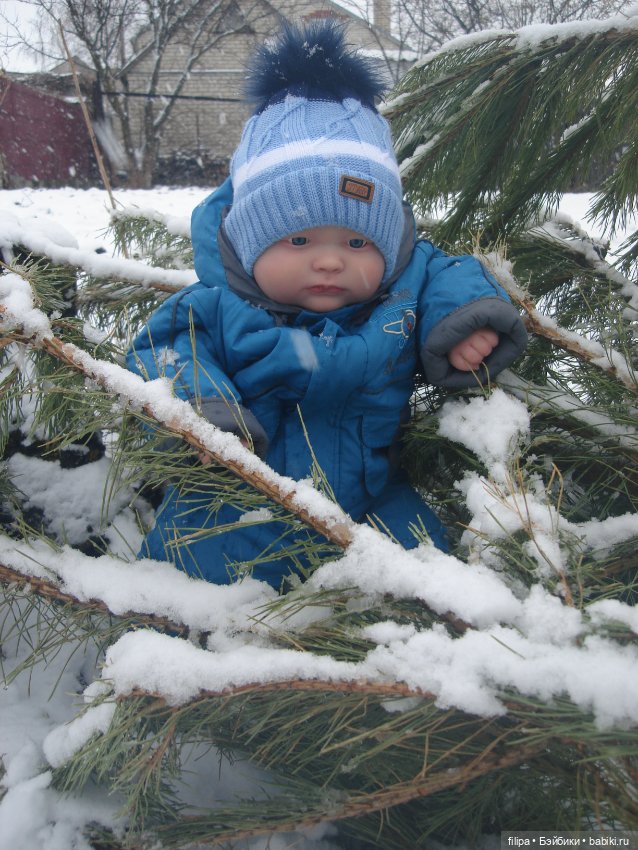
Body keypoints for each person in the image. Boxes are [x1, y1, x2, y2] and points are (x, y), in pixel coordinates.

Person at [127, 20, 527, 588]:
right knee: (188, 580)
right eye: (299, 240)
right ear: (249, 241)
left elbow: (445, 273)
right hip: (240, 499)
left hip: (372, 498)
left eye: (358, 242)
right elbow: (162, 355)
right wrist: (204, 417)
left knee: (434, 582)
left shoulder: (399, 290)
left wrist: (461, 326)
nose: (331, 261)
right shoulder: (215, 306)